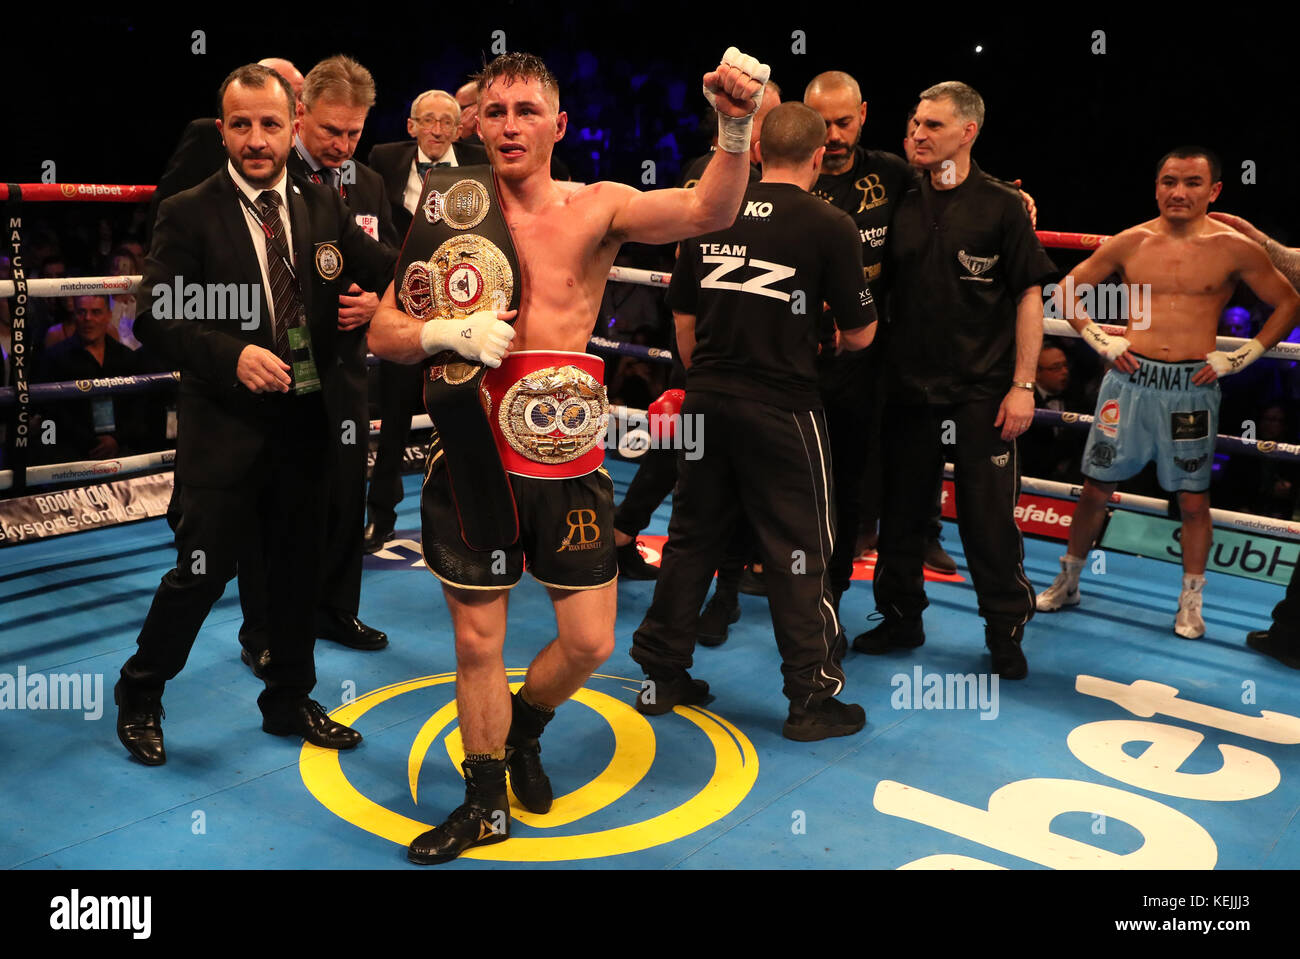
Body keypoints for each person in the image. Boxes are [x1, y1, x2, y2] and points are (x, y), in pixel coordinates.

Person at [368, 46, 768, 864]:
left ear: (559, 123)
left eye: (527, 112)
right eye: (496, 111)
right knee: (478, 642)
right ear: (476, 120)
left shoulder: (599, 206)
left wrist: (733, 126)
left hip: (566, 453)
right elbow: (382, 331)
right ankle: (482, 801)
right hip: (473, 448)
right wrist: (444, 330)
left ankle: (523, 732)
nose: (509, 126)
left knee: (588, 640)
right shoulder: (453, 212)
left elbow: (707, 214)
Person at [114, 63, 395, 765]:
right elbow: (155, 314)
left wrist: (453, 259)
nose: (256, 138)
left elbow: (386, 260)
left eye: (270, 124)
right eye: (241, 124)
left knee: (298, 568)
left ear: (291, 126)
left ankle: (289, 697)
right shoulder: (190, 209)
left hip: (305, 422)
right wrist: (229, 353)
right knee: (202, 571)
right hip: (224, 427)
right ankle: (140, 691)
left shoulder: (319, 204)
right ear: (223, 129)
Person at [630, 101, 878, 740]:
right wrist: (822, 342)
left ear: (760, 150)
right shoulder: (829, 222)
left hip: (708, 397)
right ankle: (811, 699)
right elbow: (863, 332)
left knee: (692, 537)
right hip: (782, 407)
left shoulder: (710, 211)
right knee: (800, 551)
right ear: (819, 156)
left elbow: (682, 319)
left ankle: (660, 674)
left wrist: (711, 375)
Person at [1035, 148, 1299, 638]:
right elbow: (1068, 289)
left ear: (1214, 190)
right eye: (1170, 181)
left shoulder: (1233, 247)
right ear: (1156, 186)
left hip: (1191, 389)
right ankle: (1069, 580)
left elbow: (1288, 302)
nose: (1180, 192)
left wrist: (1240, 357)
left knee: (1194, 500)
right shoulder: (1130, 241)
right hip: (1128, 383)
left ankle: (1190, 603)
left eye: (1193, 183)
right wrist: (1100, 339)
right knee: (1095, 488)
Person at [856, 81, 1056, 679]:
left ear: (968, 132)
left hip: (984, 390)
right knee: (903, 513)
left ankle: (1004, 631)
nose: (918, 134)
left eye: (933, 126)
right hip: (906, 385)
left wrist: (1024, 384)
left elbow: (1028, 294)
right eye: (914, 123)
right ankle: (899, 618)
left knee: (987, 518)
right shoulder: (895, 192)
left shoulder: (1001, 205)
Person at [364, 90, 488, 553]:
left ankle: (476, 513)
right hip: (406, 302)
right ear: (411, 125)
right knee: (393, 416)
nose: (437, 130)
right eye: (427, 121)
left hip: (465, 304)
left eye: (446, 122)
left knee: (467, 408)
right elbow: (371, 221)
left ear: (459, 129)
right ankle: (381, 514)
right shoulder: (383, 159)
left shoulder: (480, 162)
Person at [147, 58, 304, 235]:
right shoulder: (184, 212)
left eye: (270, 124)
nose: (256, 142)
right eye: (240, 125)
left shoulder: (323, 204)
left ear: (292, 131)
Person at [34, 294, 158, 462]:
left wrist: (116, 440)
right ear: (74, 315)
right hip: (73, 455)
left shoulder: (126, 357)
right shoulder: (54, 358)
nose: (88, 318)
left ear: (108, 315)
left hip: (122, 450)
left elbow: (139, 405)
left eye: (96, 312)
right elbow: (52, 411)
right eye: (81, 312)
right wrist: (90, 442)